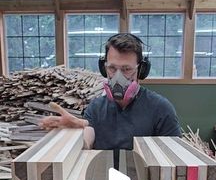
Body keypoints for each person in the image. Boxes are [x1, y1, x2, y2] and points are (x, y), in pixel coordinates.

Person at [40, 33, 181, 151]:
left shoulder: (161, 109)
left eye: (126, 69)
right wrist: (72, 136)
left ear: (141, 70)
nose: (118, 77)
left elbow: (174, 157)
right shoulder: (96, 108)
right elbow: (87, 140)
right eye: (112, 68)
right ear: (104, 68)